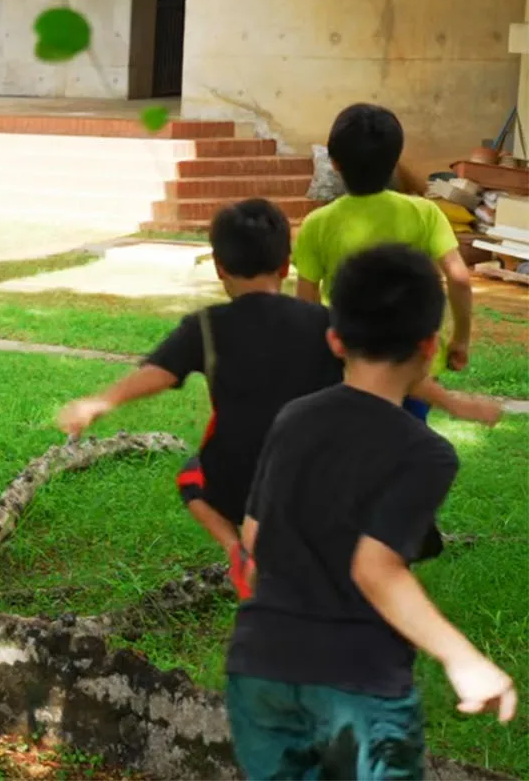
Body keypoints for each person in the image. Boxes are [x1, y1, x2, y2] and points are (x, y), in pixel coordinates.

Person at [57, 200, 499, 597]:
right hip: (316, 482)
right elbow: (387, 367)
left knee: (191, 478)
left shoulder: (206, 327)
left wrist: (102, 402)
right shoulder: (324, 323)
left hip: (238, 486)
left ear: (218, 267)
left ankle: (236, 548)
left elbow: (156, 373)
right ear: (286, 266)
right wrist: (458, 404)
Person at [226, 244, 517, 780]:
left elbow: (253, 536)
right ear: (429, 347)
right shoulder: (424, 452)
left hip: (259, 671)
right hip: (359, 686)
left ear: (335, 339)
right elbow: (375, 568)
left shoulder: (293, 418)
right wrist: (462, 658)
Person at [293, 104, 475, 421]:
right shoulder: (425, 213)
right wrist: (460, 338)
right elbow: (459, 278)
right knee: (406, 438)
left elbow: (306, 306)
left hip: (349, 360)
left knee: (349, 444)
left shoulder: (317, 224)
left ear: (334, 164)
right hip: (412, 359)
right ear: (395, 162)